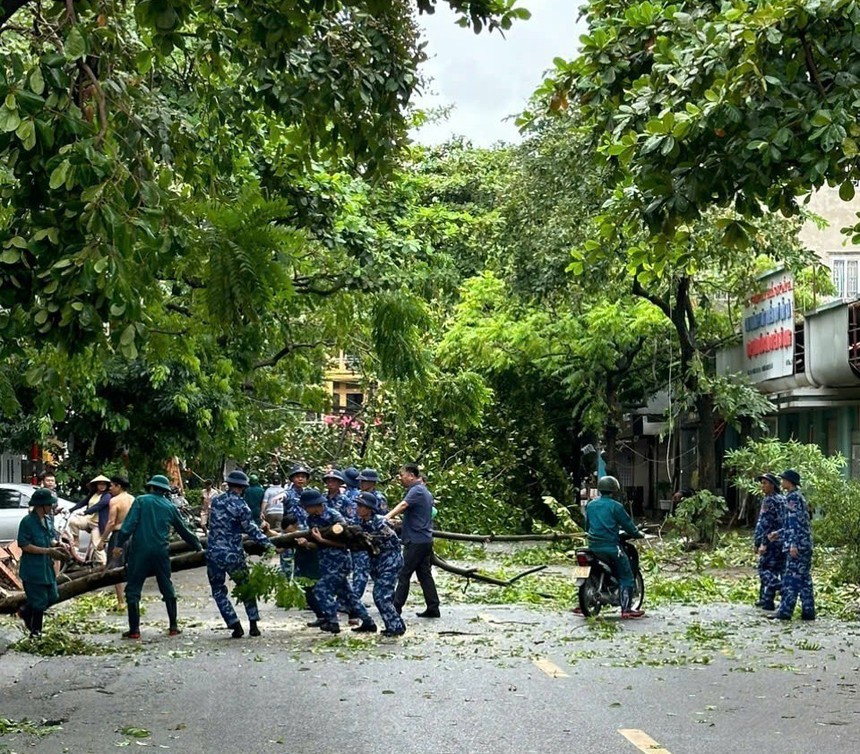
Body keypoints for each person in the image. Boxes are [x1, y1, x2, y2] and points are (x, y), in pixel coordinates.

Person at [112, 474, 203, 639]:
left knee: (133, 589)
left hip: (139, 551)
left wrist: (119, 544)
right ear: (165, 491)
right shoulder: (170, 506)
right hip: (161, 552)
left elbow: (129, 525)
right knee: (166, 586)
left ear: (152, 487)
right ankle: (173, 626)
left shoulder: (141, 501)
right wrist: (198, 546)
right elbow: (184, 529)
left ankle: (134, 630)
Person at [206, 470, 275, 638]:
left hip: (214, 552)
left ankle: (234, 624)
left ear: (229, 484)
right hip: (233, 553)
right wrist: (267, 543)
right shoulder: (241, 505)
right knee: (245, 587)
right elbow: (250, 529)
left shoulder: (215, 501)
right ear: (244, 487)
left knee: (218, 590)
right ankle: (253, 624)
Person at [300, 488, 375, 634]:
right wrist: (307, 543)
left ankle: (332, 621)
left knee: (321, 590)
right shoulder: (311, 520)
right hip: (324, 561)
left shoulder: (335, 517)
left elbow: (345, 543)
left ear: (315, 505)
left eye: (307, 506)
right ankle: (368, 622)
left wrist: (322, 540)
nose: (305, 509)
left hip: (339, 561)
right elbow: (314, 542)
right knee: (348, 595)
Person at [583, 475, 645, 619]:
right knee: (626, 576)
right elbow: (629, 526)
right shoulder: (616, 506)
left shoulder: (591, 505)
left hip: (593, 546)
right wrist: (638, 534)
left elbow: (587, 526)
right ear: (614, 490)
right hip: (611, 547)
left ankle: (582, 603)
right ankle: (626, 609)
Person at [386, 463, 440, 619]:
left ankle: (396, 608)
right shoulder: (425, 492)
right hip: (425, 539)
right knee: (424, 574)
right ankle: (433, 607)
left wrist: (387, 517)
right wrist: (398, 523)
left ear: (411, 475)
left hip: (416, 541)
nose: (400, 479)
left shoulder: (416, 490)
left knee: (404, 573)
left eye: (402, 475)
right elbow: (418, 517)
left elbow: (403, 505)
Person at [16, 488, 68, 637]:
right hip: (32, 568)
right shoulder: (27, 522)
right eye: (49, 505)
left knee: (52, 596)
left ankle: (25, 611)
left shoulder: (47, 519)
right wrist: (48, 551)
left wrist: (58, 544)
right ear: (41, 505)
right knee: (39, 601)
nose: (52, 508)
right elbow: (24, 545)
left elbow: (49, 539)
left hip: (47, 568)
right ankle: (36, 631)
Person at [356, 491, 406, 637]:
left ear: (369, 508)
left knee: (381, 596)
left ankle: (395, 627)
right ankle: (395, 624)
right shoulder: (361, 523)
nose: (358, 508)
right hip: (377, 563)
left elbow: (394, 543)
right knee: (384, 596)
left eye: (361, 506)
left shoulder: (380, 523)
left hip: (389, 562)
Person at [767, 469, 815, 621]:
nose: (781, 482)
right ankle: (808, 611)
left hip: (797, 545)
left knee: (791, 578)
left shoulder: (792, 498)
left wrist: (793, 544)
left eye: (783, 479)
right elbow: (796, 523)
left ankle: (785, 611)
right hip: (805, 543)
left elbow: (794, 523)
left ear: (789, 482)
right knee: (804, 578)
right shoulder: (798, 497)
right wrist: (779, 533)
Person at [97, 475, 136, 609]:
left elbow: (111, 522)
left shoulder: (114, 501)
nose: (110, 488)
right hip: (132, 534)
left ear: (119, 486)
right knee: (131, 566)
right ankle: (132, 597)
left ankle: (121, 601)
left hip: (119, 535)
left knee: (115, 567)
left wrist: (102, 540)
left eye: (112, 486)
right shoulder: (133, 499)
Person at [753, 472, 785, 611]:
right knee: (775, 569)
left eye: (765, 483)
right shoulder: (782, 499)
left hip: (771, 540)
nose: (762, 486)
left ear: (773, 485)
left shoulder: (769, 500)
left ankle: (781, 587)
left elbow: (764, 523)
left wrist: (760, 542)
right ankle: (767, 600)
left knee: (764, 570)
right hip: (782, 539)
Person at [68, 474, 112, 562]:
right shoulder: (93, 494)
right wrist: (71, 510)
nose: (102, 486)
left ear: (107, 486)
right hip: (89, 520)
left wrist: (85, 512)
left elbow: (99, 505)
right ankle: (76, 543)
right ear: (96, 485)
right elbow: (82, 502)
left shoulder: (107, 495)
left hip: (98, 524)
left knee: (97, 546)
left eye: (104, 484)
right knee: (73, 522)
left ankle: (103, 565)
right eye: (100, 484)